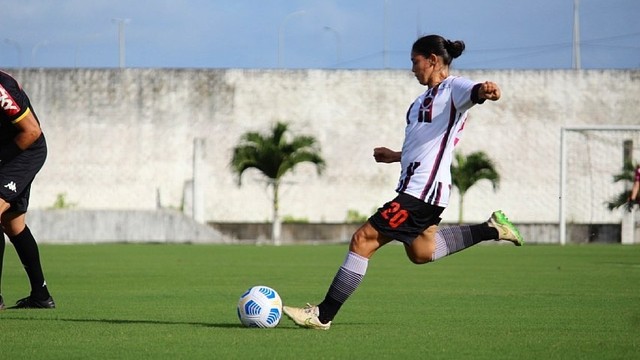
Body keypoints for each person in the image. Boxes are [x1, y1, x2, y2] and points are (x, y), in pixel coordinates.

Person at [282, 35, 523, 330]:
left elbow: (476, 91)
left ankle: (323, 315)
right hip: (421, 190)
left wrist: (487, 90)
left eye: (415, 61)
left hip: (421, 192)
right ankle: (491, 229)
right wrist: (395, 156)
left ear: (433, 60)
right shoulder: (420, 101)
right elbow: (426, 145)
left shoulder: (453, 88)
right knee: (422, 252)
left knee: (363, 240)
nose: (412, 69)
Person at [0, 70, 55, 310]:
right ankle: (41, 296)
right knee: (13, 224)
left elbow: (32, 132)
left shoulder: (0, 88)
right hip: (8, 152)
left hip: (26, 150)